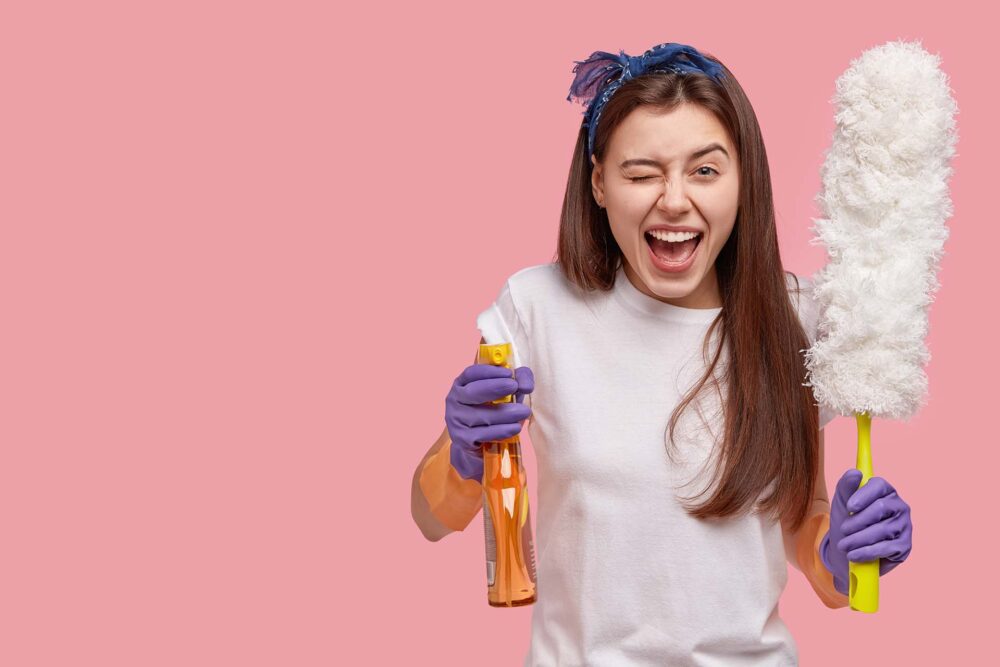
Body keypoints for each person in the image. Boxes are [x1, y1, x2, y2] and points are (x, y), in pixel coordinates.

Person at [410, 42, 913, 666]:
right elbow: (429, 518)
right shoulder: (534, 311)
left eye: (705, 171)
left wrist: (845, 553)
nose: (674, 200)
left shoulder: (799, 320)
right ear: (598, 182)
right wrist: (462, 456)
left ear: (743, 179)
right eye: (642, 172)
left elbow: (803, 529)